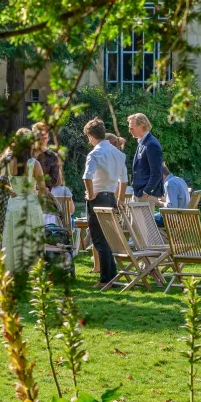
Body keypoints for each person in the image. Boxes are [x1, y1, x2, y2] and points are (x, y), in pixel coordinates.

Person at [83, 117, 128, 288]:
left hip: (98, 198)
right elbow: (124, 180)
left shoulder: (95, 153)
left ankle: (104, 279)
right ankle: (112, 276)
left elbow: (87, 176)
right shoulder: (118, 154)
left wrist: (90, 193)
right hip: (111, 198)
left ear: (91, 136)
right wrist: (120, 198)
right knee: (109, 238)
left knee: (99, 240)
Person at [2, 129, 48, 277]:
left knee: (13, 238)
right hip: (30, 205)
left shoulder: (8, 161)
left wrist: (8, 188)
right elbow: (42, 188)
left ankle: (12, 271)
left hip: (14, 205)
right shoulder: (34, 164)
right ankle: (32, 271)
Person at [128, 113, 164, 210]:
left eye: (131, 128)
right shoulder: (142, 142)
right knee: (134, 221)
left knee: (143, 221)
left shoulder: (151, 144)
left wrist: (146, 191)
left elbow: (157, 173)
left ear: (141, 126)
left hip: (145, 196)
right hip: (138, 193)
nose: (129, 130)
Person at [32, 122, 62, 189]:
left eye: (45, 138)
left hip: (44, 192)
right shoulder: (27, 153)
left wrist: (39, 184)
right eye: (40, 138)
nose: (43, 141)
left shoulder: (53, 156)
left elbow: (53, 180)